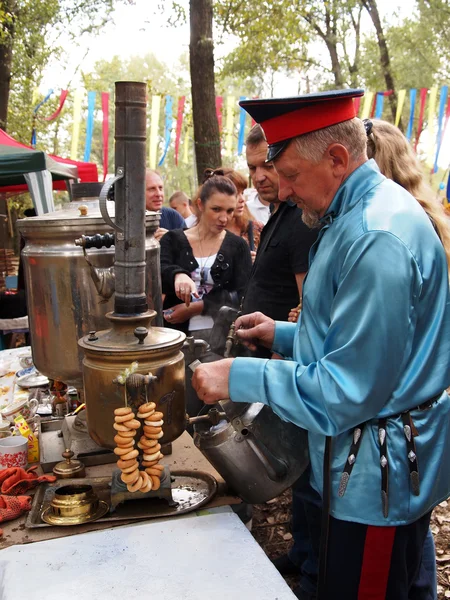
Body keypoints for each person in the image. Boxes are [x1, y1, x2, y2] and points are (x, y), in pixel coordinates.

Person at [192, 90, 450, 600]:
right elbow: (352, 340)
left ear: (337, 158)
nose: (281, 190)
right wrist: (282, 332)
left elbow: (348, 388)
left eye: (289, 174)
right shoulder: (346, 214)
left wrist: (236, 375)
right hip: (362, 464)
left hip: (378, 475)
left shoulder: (377, 236)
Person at [240, 124, 319, 357]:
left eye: (267, 165)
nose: (259, 176)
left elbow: (308, 306)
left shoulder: (302, 217)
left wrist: (282, 355)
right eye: (252, 168)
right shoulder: (278, 213)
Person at [159, 173, 252, 340]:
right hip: (174, 338)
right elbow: (160, 271)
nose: (224, 218)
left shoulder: (238, 246)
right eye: (216, 209)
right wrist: (178, 274)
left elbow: (243, 296)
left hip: (222, 339)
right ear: (200, 205)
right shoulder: (172, 240)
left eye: (230, 211)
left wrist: (199, 307)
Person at [204, 167, 263, 262]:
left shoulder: (256, 228)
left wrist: (258, 262)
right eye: (235, 194)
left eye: (242, 192)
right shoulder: (201, 234)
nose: (242, 199)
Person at [145, 170, 185, 240]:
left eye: (160, 188)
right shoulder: (127, 219)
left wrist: (172, 241)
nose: (158, 194)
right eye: (152, 189)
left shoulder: (173, 217)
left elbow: (190, 248)